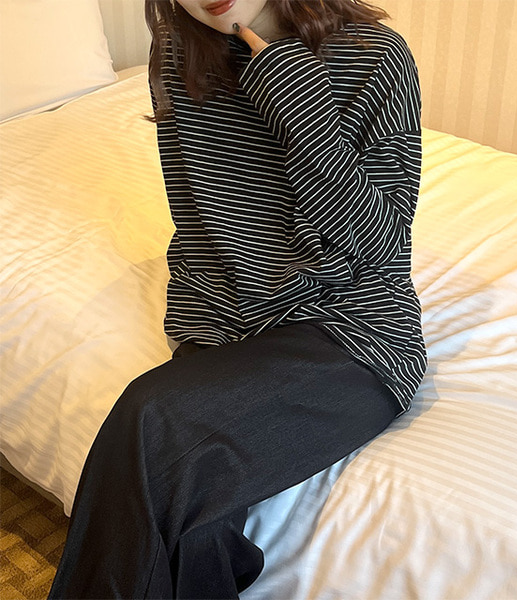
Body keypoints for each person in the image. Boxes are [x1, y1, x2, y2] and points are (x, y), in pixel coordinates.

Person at [48, 0, 426, 598]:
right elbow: (196, 215)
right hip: (227, 319)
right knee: (195, 523)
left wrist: (298, 104)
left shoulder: (373, 55)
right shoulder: (178, 54)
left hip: (350, 331)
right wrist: (205, 325)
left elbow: (377, 246)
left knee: (150, 416)